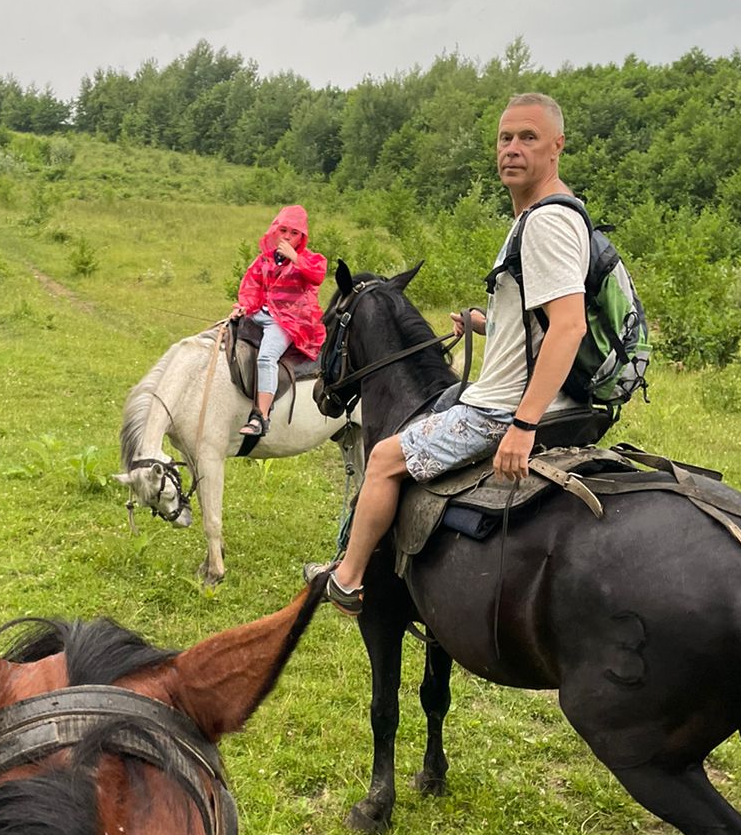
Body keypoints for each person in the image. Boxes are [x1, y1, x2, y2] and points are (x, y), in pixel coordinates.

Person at [325, 93, 589, 615]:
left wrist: (522, 425)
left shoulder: (545, 222)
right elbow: (542, 322)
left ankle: (348, 579)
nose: (512, 149)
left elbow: (570, 325)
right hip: (519, 393)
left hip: (502, 408)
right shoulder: (549, 213)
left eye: (528, 138)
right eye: (505, 138)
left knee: (382, 459)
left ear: (557, 146)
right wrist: (488, 326)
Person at [231, 204, 327, 437]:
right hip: (261, 313)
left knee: (266, 357)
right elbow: (253, 288)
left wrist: (296, 259)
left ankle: (261, 416)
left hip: (288, 320)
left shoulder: (309, 259)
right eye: (284, 230)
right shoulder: (264, 260)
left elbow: (317, 277)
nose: (287, 237)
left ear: (301, 238)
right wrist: (244, 306)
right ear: (276, 230)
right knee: (225, 334)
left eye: (294, 233)